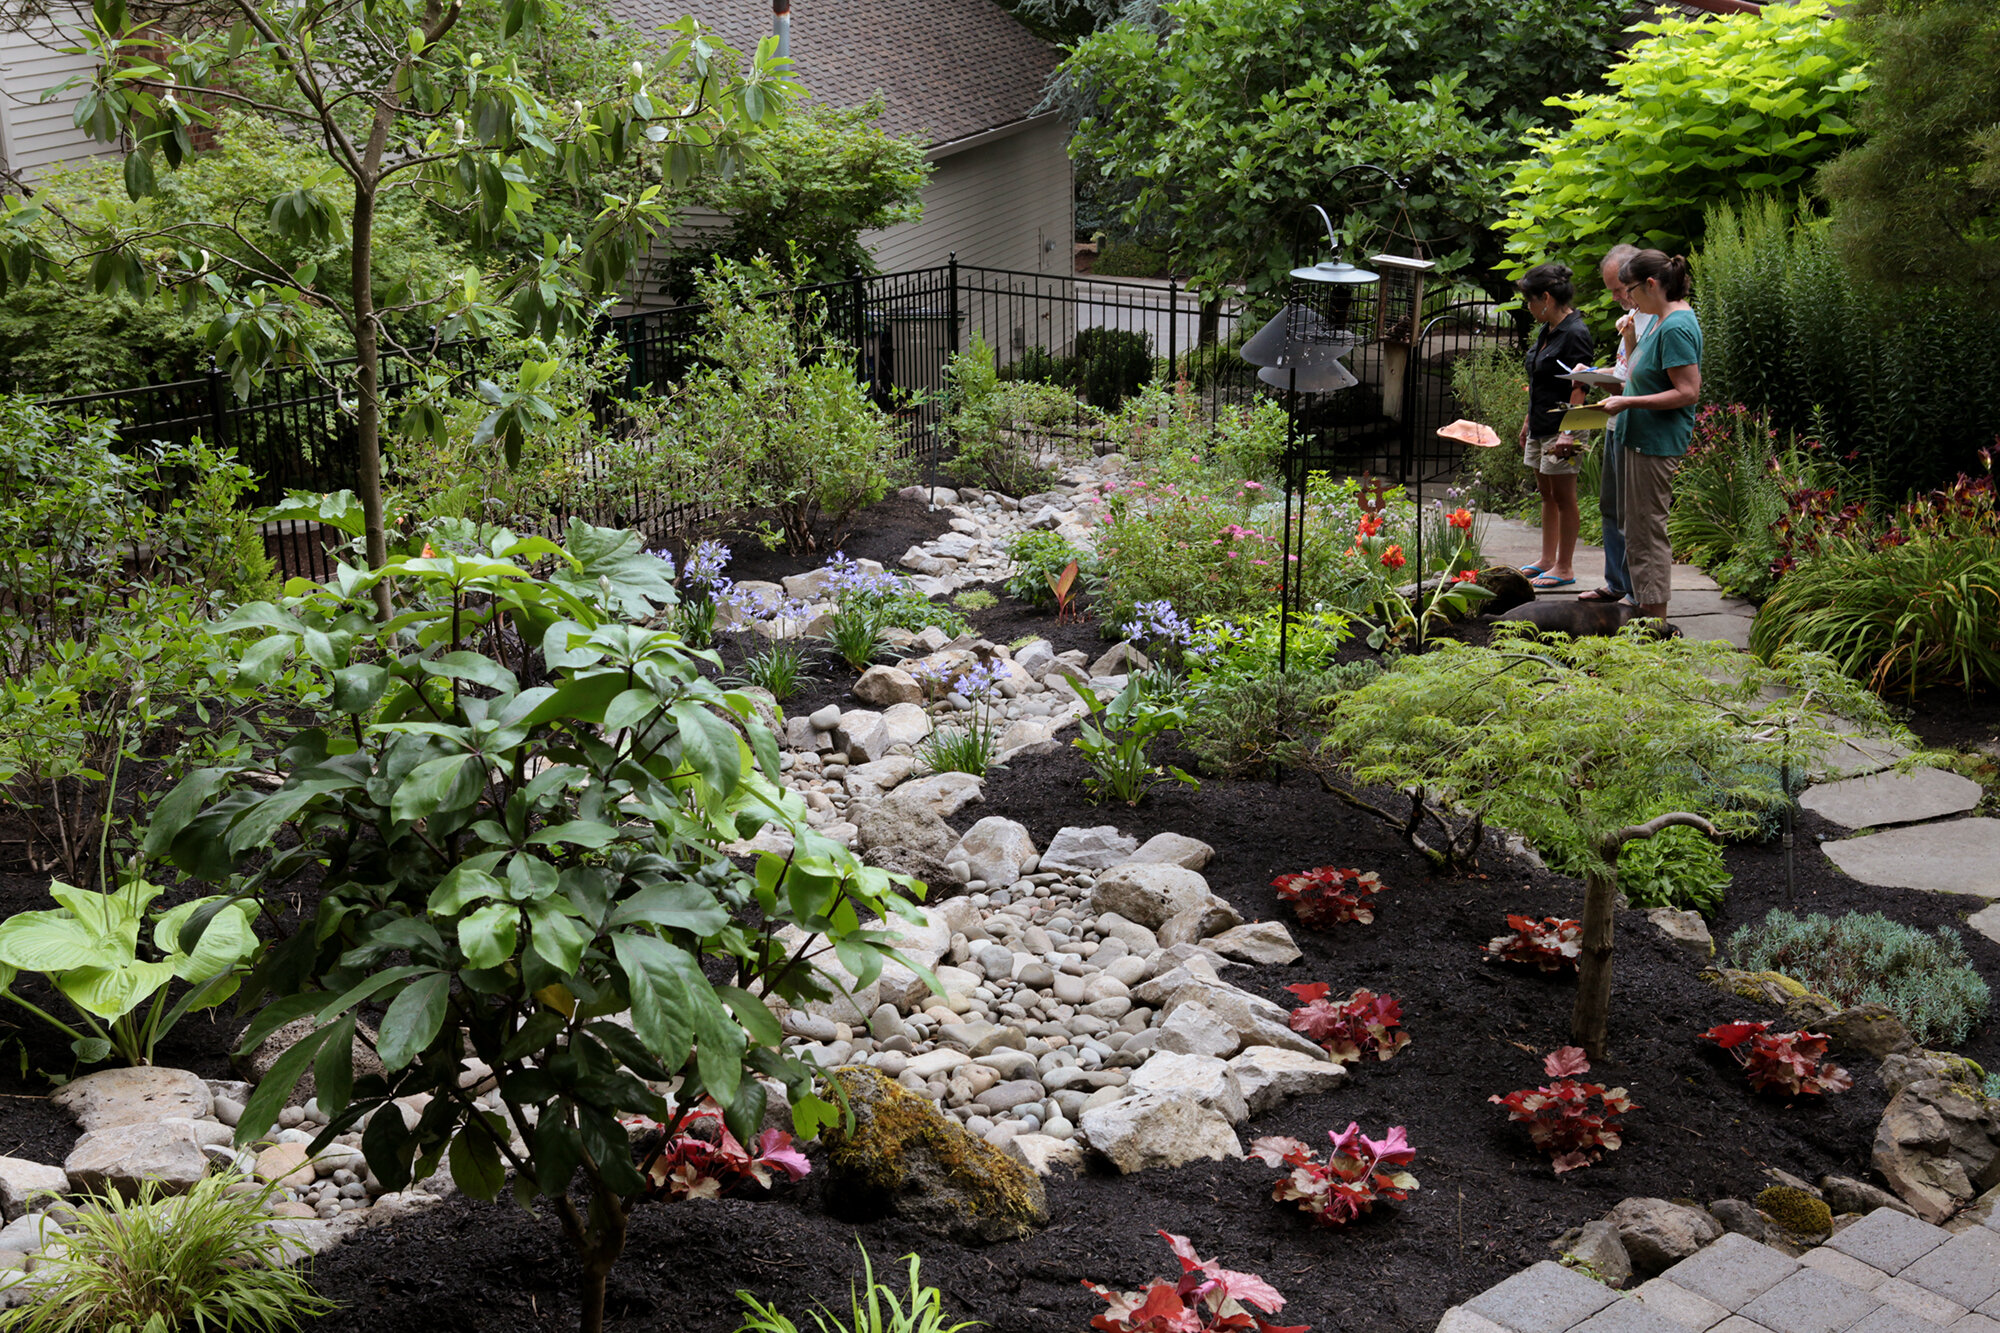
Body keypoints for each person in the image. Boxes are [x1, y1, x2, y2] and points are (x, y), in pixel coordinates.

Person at [1600, 250, 1702, 624]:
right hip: (1636, 438)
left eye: (1631, 290)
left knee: (1647, 532)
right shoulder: (1659, 320)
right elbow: (1643, 371)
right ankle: (1644, 614)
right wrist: (1629, 340)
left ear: (1652, 285)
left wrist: (1628, 402)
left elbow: (1688, 391)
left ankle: (1654, 623)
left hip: (1653, 443)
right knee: (1635, 529)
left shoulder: (1676, 326)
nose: (1629, 299)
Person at [1578, 244, 1656, 604]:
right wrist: (1593, 373)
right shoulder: (1632, 317)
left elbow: (1643, 377)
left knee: (1632, 512)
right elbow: (1623, 369)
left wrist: (1628, 336)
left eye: (1619, 289)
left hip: (1636, 424)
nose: (1615, 297)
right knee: (1609, 505)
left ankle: (1635, 591)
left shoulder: (1655, 318)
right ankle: (1615, 582)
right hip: (1614, 423)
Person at [1515, 261, 1595, 589]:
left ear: (1545, 297)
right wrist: (1527, 421)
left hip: (1565, 426)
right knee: (1546, 494)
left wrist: (1568, 432)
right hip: (1540, 423)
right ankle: (1547, 559)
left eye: (1530, 301)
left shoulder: (1576, 332)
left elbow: (1580, 386)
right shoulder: (1546, 330)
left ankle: (1564, 567)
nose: (1529, 308)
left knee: (1565, 497)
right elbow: (1539, 380)